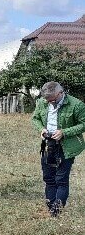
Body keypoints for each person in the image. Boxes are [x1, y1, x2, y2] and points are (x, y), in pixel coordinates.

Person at [31, 81, 85, 217]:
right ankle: (51, 207)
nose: (50, 102)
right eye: (47, 100)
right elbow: (35, 118)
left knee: (61, 179)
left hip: (66, 145)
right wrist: (41, 129)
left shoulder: (76, 104)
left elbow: (83, 124)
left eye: (53, 100)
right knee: (48, 177)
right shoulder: (42, 102)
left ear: (61, 93)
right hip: (48, 144)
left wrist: (64, 132)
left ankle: (57, 210)